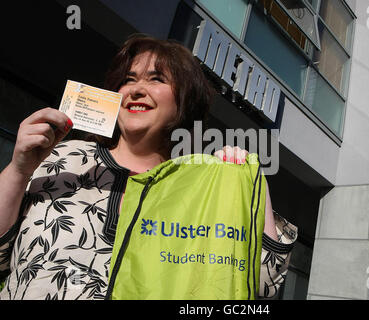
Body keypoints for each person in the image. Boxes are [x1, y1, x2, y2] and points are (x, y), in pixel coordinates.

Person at [0, 35, 297, 300]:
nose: (137, 89)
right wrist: (18, 170)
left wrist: (249, 180)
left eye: (156, 79)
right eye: (128, 80)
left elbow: (261, 285)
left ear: (184, 101)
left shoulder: (198, 189)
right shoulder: (63, 156)